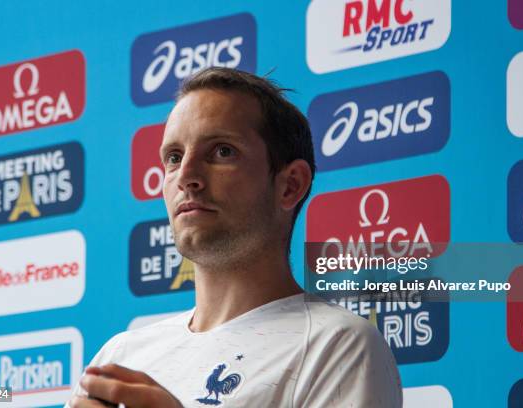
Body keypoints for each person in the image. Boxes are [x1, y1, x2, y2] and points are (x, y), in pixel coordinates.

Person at [66, 67, 402, 407]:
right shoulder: (121, 357)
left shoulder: (337, 345)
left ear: (290, 185)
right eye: (174, 157)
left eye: (222, 151)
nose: (186, 176)